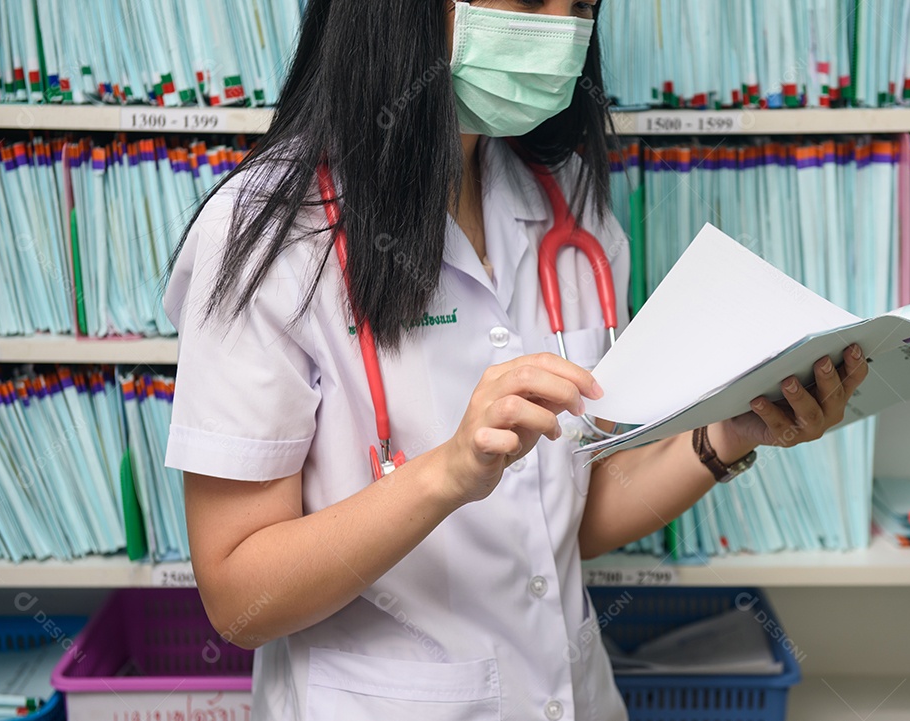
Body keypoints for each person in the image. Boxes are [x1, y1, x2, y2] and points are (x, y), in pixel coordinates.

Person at [162, 1, 869, 719]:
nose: (560, 29)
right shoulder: (269, 232)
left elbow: (571, 515)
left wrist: (730, 434)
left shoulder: (570, 208)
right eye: (532, 0)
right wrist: (449, 473)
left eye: (581, 6)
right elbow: (238, 597)